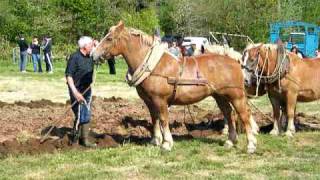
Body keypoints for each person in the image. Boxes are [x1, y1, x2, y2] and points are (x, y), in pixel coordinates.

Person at [65, 36, 96, 148]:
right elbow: (69, 76)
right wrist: (75, 93)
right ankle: (74, 141)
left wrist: (97, 45)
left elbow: (102, 55)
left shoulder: (91, 56)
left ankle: (85, 140)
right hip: (77, 90)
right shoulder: (74, 57)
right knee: (79, 115)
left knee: (86, 113)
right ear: (84, 46)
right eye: (91, 45)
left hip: (87, 89)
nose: (92, 47)